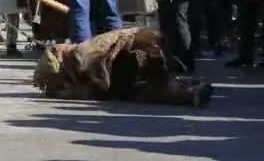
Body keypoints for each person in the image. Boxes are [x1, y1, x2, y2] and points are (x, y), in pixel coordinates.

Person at [33, 28, 213, 107]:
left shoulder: (76, 67)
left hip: (129, 62)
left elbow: (98, 87)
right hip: (131, 56)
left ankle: (188, 91)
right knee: (150, 89)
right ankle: (188, 91)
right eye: (57, 48)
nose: (63, 45)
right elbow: (101, 79)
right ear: (59, 55)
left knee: (148, 90)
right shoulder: (79, 53)